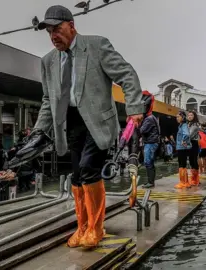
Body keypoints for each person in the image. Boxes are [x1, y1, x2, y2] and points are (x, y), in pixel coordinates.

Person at [34, 5, 144, 248]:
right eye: (49, 31)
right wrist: (38, 132)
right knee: (76, 175)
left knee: (87, 169)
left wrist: (135, 107)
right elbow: (47, 100)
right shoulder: (48, 61)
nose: (53, 36)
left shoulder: (96, 45)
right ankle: (82, 227)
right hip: (70, 123)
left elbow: (126, 74)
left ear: (72, 26)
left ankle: (96, 227)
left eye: (57, 29)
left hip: (98, 122)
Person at [140, 91, 160, 189]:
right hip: (152, 142)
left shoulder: (148, 119)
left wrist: (139, 124)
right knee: (150, 162)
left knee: (148, 162)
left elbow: (142, 130)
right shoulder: (152, 117)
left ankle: (150, 182)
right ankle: (151, 181)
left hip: (150, 143)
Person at [175, 111, 191, 189]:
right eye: (176, 117)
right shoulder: (181, 126)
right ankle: (183, 182)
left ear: (183, 117)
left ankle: (184, 182)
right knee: (181, 164)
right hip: (180, 147)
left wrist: (183, 140)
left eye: (178, 117)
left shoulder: (184, 125)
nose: (177, 118)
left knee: (182, 164)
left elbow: (187, 134)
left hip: (182, 148)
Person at [187, 111, 200, 186]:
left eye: (191, 115)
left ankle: (195, 179)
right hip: (190, 143)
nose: (189, 116)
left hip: (193, 143)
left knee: (193, 160)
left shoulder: (195, 125)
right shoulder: (189, 124)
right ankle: (194, 178)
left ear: (194, 116)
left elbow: (190, 135)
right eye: (188, 115)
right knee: (192, 160)